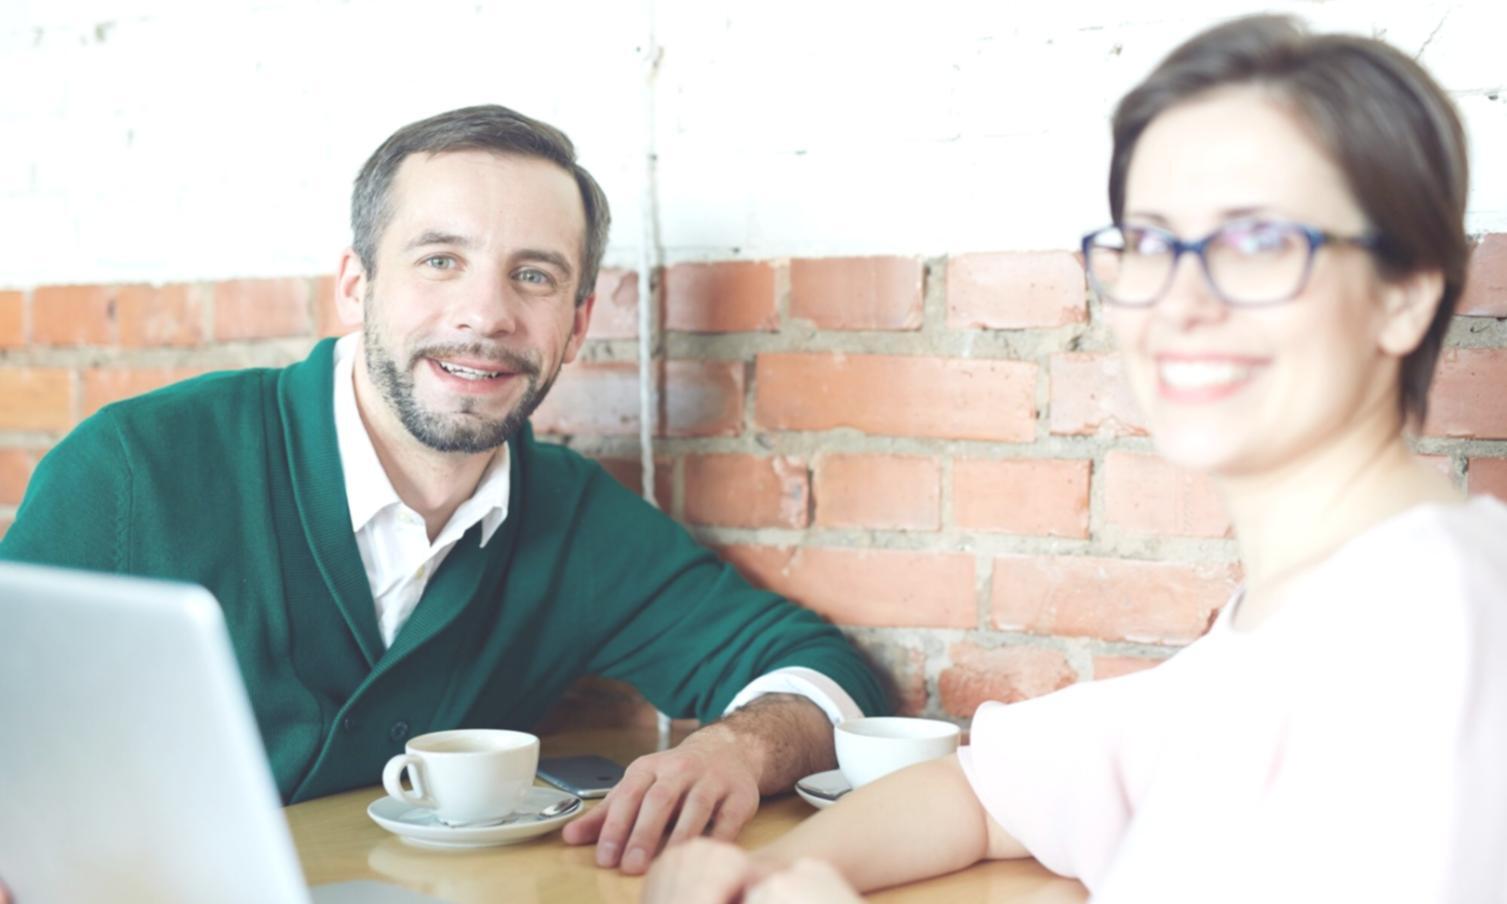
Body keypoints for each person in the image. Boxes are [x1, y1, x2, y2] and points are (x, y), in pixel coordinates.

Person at [644, 15, 1507, 903]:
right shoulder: (1275, 629)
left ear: (1404, 296)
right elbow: (988, 794)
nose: (1181, 301)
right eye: (1151, 244)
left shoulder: (1432, 629)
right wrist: (758, 875)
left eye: (1257, 244)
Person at [0, 104, 887, 876]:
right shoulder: (131, 470)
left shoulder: (572, 517)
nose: (486, 314)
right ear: (356, 284)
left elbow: (825, 671)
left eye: (532, 275)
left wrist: (740, 746)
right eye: (439, 260)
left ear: (576, 323)